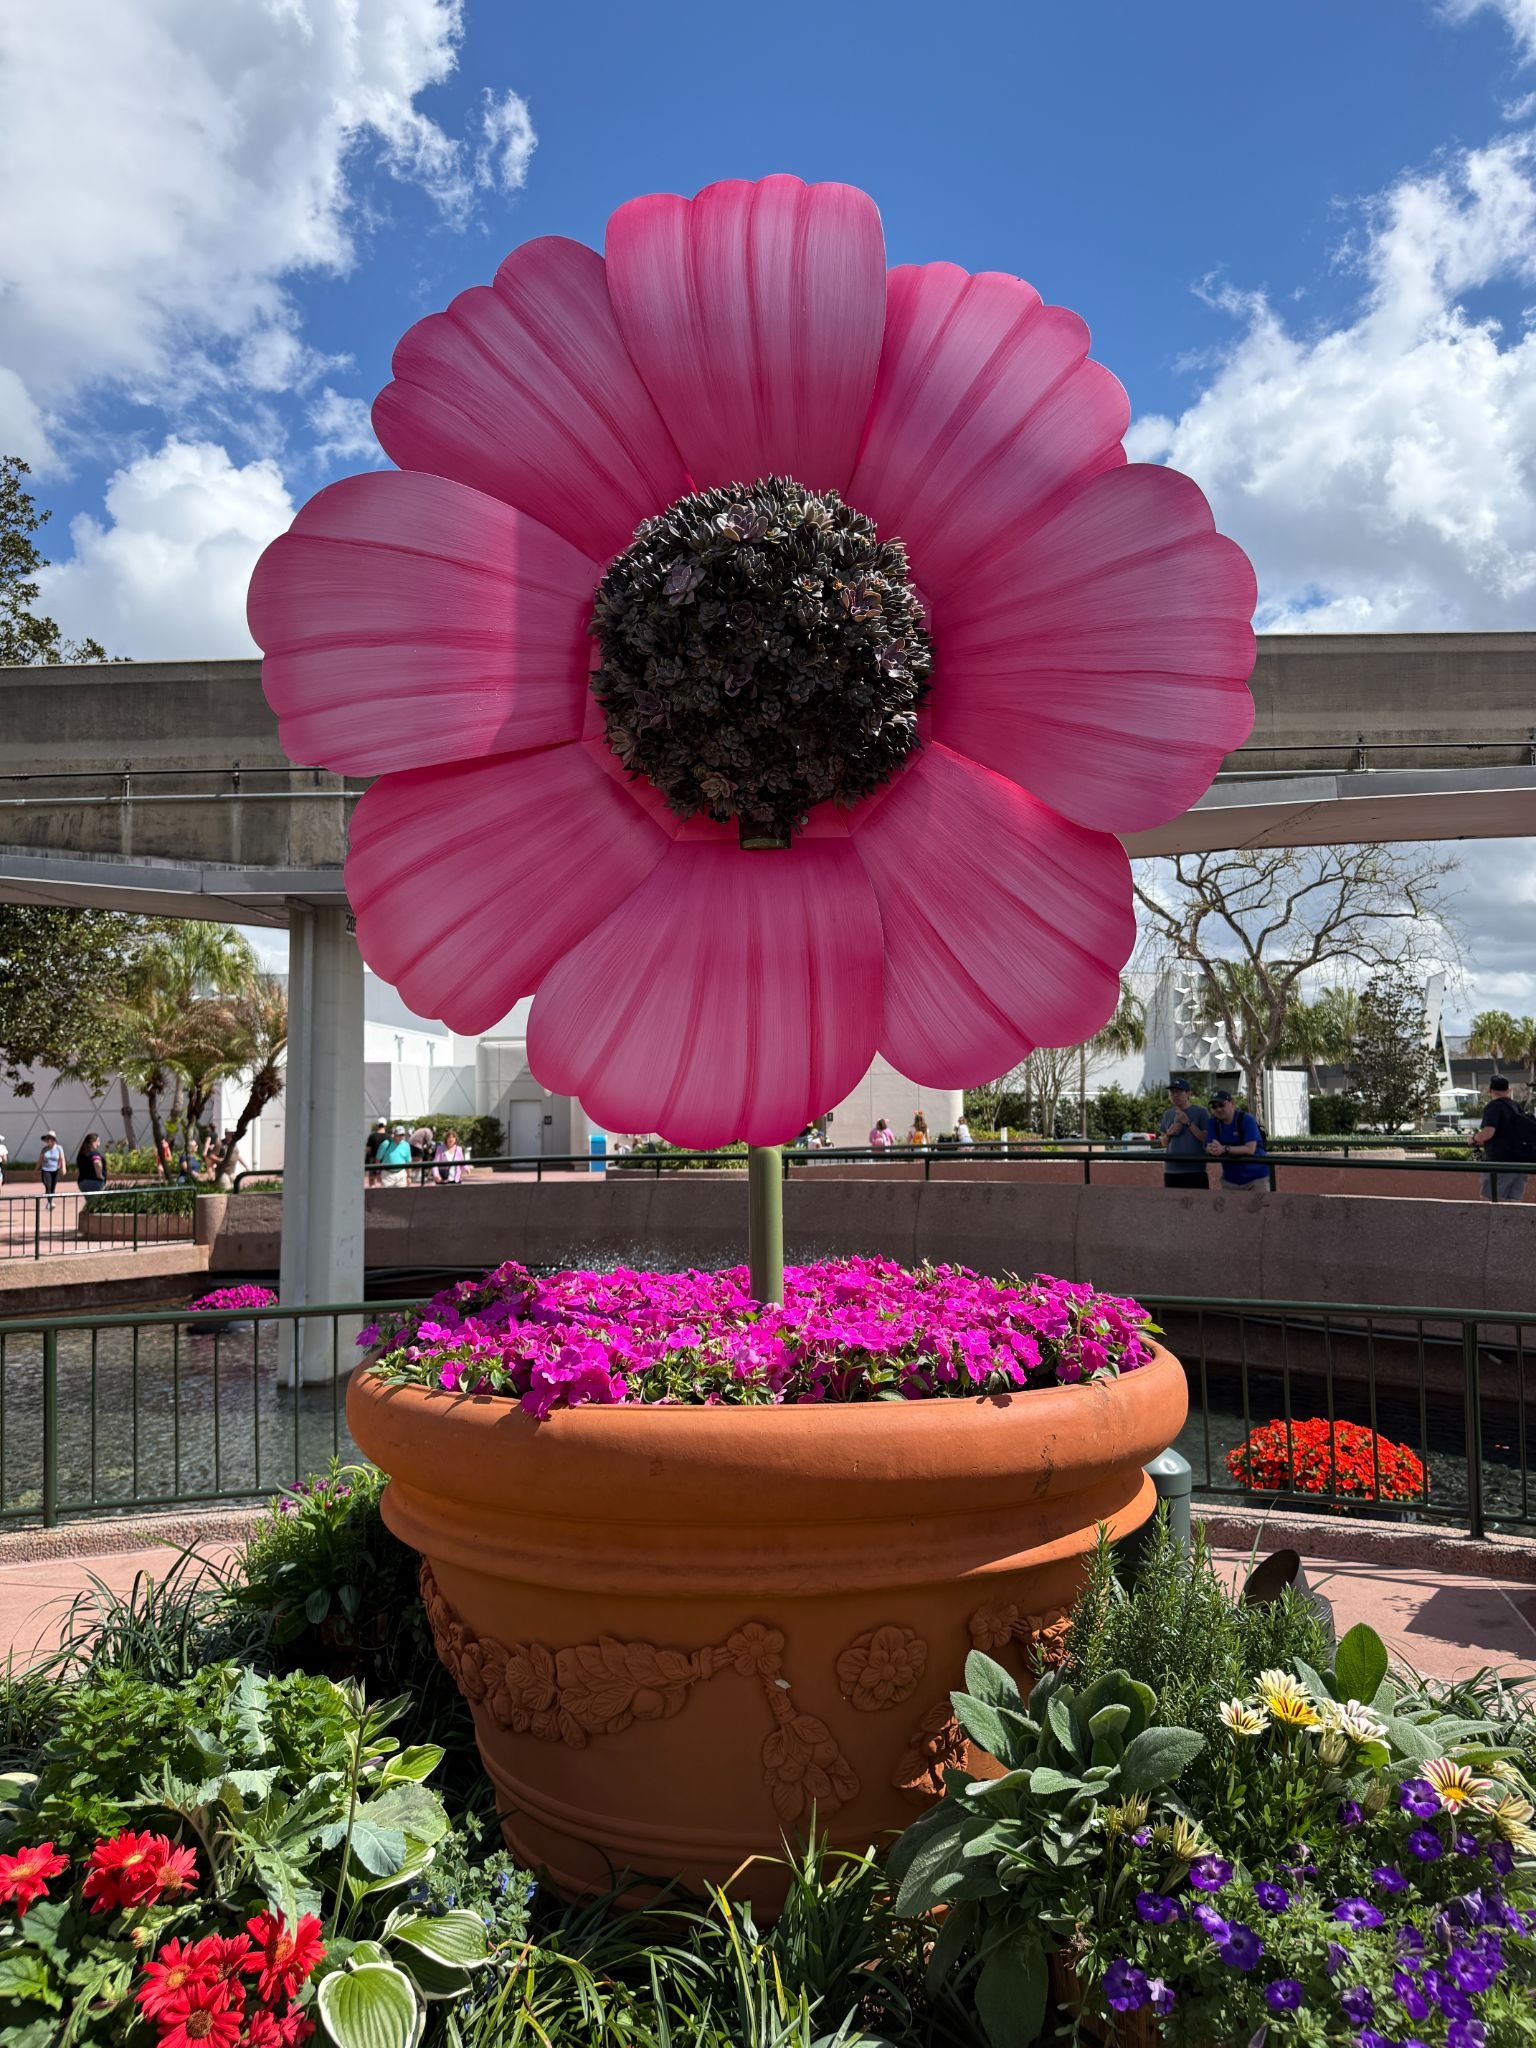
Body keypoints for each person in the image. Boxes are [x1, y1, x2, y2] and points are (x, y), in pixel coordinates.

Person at [1471, 1075, 1531, 1204]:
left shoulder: (1493, 1107)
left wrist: (1474, 1138)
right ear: (1508, 1090)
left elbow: (1488, 1133)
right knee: (1513, 1203)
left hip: (1500, 1162)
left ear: (1490, 1090)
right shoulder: (1516, 1106)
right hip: (1521, 1162)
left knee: (1488, 1200)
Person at [1205, 1091, 1269, 1189]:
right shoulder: (1212, 1123)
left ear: (1232, 1103)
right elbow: (1210, 1146)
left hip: (1256, 1179)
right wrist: (1211, 1149)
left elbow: (1250, 1149)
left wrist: (1224, 1149)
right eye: (1214, 1106)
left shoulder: (1247, 1120)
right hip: (1230, 1180)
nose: (1218, 1109)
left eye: (1221, 1105)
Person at [1158, 1078, 1212, 1191]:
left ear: (1188, 1094)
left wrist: (1188, 1123)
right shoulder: (1167, 1114)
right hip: (1171, 1170)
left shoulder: (1201, 1112)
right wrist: (1169, 1133)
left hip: (1195, 1170)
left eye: (1178, 1092)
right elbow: (1164, 1143)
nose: (1175, 1095)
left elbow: (1205, 1138)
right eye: (1172, 1092)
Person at [38, 1130, 63, 1205]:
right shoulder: (44, 1149)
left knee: (53, 1186)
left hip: (55, 1170)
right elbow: (40, 1159)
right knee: (47, 1185)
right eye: (48, 1139)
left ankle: (50, 1201)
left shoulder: (59, 1148)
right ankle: (49, 1202)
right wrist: (36, 1168)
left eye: (51, 1139)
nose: (49, 1141)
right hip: (46, 1170)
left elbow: (61, 1158)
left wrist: (63, 1168)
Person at [364, 1119, 387, 1187]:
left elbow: (368, 1149)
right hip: (384, 1160)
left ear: (377, 1125)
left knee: (372, 1179)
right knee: (383, 1179)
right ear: (385, 1125)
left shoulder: (372, 1136)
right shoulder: (388, 1136)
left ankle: (372, 1189)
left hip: (373, 1160)